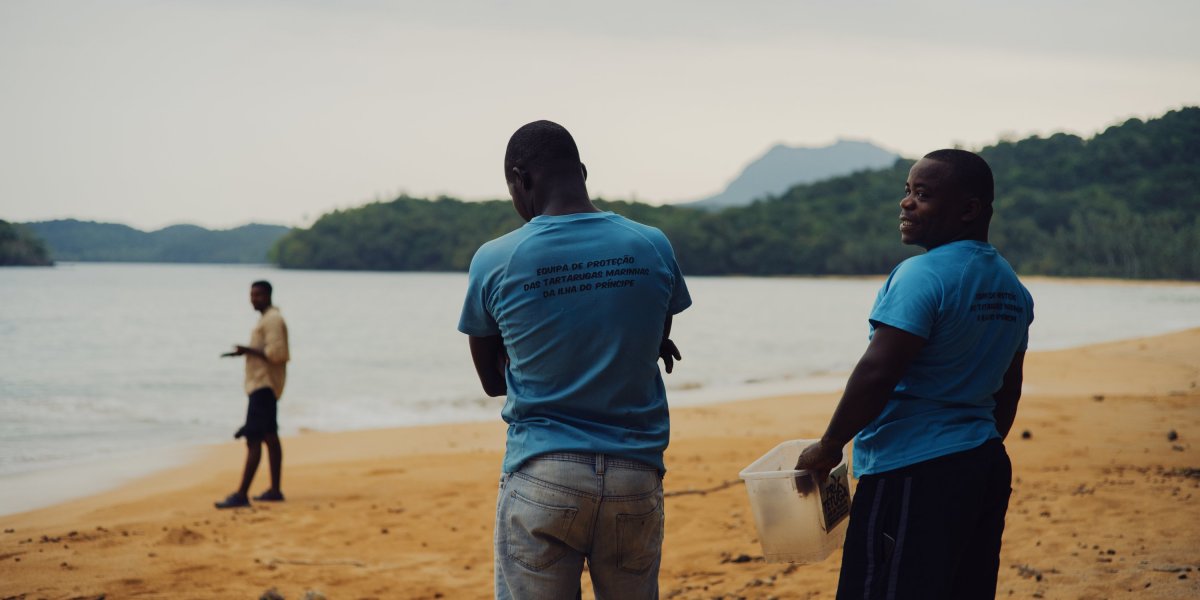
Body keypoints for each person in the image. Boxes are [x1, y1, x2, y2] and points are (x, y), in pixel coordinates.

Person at [458, 120, 692, 599]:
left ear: (520, 178)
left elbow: (491, 380)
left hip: (544, 474)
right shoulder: (651, 245)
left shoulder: (496, 258)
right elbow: (653, 335)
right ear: (582, 171)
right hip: (634, 475)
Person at [793, 149, 1034, 599]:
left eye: (922, 195)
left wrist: (828, 446)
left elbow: (878, 371)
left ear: (968, 209)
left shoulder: (921, 275)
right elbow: (1009, 387)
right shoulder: (1011, 286)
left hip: (912, 471)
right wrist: (975, 446)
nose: (905, 204)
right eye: (907, 192)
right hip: (983, 465)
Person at [215, 280, 290, 509]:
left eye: (257, 295)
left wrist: (247, 351)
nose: (253, 299)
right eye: (251, 295)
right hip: (262, 385)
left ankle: (241, 494)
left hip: (263, 385)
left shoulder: (273, 320)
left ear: (268, 295)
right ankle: (275, 490)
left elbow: (278, 354)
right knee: (269, 436)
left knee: (254, 438)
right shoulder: (267, 320)